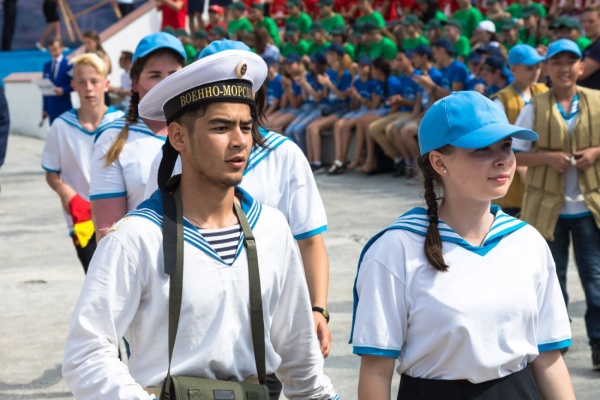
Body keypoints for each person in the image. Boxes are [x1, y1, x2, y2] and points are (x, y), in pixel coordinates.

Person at [70, 39, 337, 399]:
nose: (240, 141)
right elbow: (85, 353)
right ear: (178, 136)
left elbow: (302, 367)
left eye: (245, 127)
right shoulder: (136, 238)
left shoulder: (272, 230)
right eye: (221, 127)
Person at [351, 91, 575, 399]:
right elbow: (376, 372)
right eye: (481, 149)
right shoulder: (396, 248)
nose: (503, 159)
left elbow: (548, 357)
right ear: (439, 162)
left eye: (506, 145)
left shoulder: (527, 241)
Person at [514, 39, 600, 369]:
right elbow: (513, 152)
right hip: (548, 209)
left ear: (581, 67)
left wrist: (595, 152)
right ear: (547, 69)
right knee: (552, 280)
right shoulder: (534, 107)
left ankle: (598, 343)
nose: (564, 68)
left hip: (589, 207)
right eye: (557, 62)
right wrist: (547, 158)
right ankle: (555, 344)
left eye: (571, 61)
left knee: (595, 280)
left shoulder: (596, 100)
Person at [90, 33, 186, 241]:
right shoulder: (112, 138)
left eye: (173, 74)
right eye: (155, 75)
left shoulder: (203, 132)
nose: (166, 83)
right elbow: (108, 232)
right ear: (134, 83)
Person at [41, 54, 123, 273]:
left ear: (106, 84)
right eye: (82, 82)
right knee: (96, 279)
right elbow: (51, 173)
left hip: (120, 219)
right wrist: (67, 194)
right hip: (82, 220)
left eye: (94, 81)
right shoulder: (61, 126)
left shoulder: (122, 124)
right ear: (73, 85)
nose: (88, 88)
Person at [491, 44, 547, 217]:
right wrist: (520, 167)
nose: (535, 72)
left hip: (540, 172)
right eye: (529, 68)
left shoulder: (544, 91)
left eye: (537, 66)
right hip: (513, 174)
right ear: (513, 69)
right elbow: (497, 142)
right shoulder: (502, 100)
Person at [42, 38, 73, 124]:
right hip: (51, 106)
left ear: (61, 48)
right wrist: (45, 108)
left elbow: (74, 85)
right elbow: (44, 89)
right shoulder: (47, 66)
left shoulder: (68, 64)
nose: (53, 52)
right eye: (51, 50)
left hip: (64, 105)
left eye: (55, 49)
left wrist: (63, 90)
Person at [580, 3, 600, 90]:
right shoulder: (593, 45)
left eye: (591, 21)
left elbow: (580, 73)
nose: (586, 25)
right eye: (584, 21)